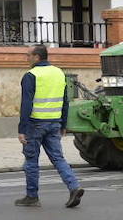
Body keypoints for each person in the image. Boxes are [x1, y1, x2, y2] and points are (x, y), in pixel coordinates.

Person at [16, 45, 83, 209]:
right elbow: (65, 101)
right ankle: (74, 186)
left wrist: (22, 129)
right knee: (58, 158)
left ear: (37, 57)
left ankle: (32, 197)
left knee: (31, 160)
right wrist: (64, 123)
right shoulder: (59, 73)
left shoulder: (31, 75)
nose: (26, 58)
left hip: (35, 124)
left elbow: (26, 104)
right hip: (54, 123)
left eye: (28, 55)